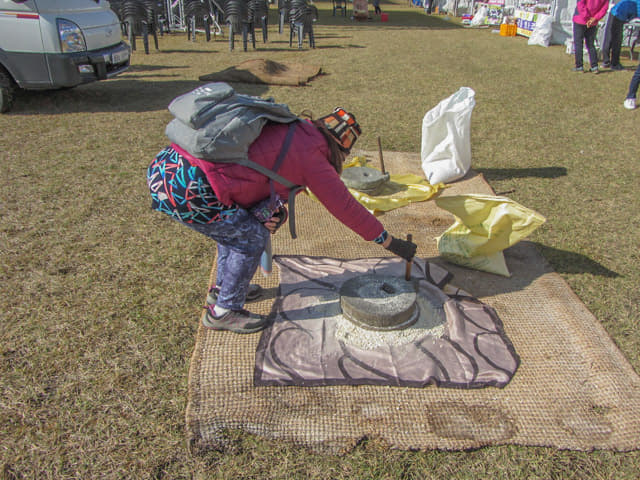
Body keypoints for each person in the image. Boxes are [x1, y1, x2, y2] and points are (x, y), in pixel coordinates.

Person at [147, 108, 417, 334]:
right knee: (250, 238)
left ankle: (223, 291)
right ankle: (223, 311)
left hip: (168, 168)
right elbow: (346, 208)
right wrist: (389, 242)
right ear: (340, 149)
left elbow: (261, 170)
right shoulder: (315, 157)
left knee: (233, 231)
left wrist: (274, 211)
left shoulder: (297, 128)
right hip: (190, 188)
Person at [572, 0, 609, 73]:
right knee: (591, 45)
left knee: (579, 44)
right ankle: (594, 66)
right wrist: (594, 18)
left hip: (580, 19)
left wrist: (587, 18)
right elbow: (604, 9)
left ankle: (579, 66)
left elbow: (580, 4)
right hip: (592, 22)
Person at [601, 0, 640, 70]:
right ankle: (615, 64)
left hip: (614, 12)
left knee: (609, 38)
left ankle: (605, 61)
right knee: (617, 40)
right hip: (619, 15)